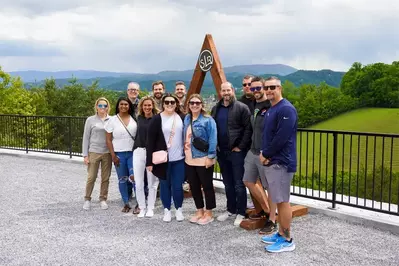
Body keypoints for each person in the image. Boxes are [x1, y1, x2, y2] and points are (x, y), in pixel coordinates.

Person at [259, 76, 298, 253]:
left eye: (272, 87)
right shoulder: (272, 109)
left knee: (283, 201)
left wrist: (266, 154)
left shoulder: (286, 109)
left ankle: (288, 240)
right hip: (273, 162)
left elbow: (281, 138)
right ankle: (281, 233)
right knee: (277, 198)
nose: (268, 90)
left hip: (281, 163)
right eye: (266, 87)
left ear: (280, 88)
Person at [211, 82, 252, 226]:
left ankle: (241, 211)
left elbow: (248, 129)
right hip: (222, 151)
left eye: (228, 90)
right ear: (220, 92)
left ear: (232, 90)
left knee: (239, 183)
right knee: (227, 183)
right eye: (223, 90)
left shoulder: (241, 108)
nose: (226, 93)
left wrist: (240, 147)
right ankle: (231, 209)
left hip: (236, 153)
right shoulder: (216, 108)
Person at [242, 76, 277, 234]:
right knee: (248, 181)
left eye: (258, 88)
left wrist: (269, 152)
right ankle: (266, 210)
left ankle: (272, 220)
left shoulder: (272, 106)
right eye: (252, 88)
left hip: (265, 153)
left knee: (270, 187)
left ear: (264, 88)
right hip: (253, 151)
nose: (255, 91)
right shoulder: (254, 105)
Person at [146, 93, 186, 222]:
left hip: (179, 159)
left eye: (172, 102)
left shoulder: (182, 117)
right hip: (163, 159)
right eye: (167, 102)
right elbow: (150, 141)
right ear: (163, 104)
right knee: (164, 185)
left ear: (176, 104)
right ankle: (167, 209)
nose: (169, 104)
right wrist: (149, 162)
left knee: (177, 186)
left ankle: (179, 208)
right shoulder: (157, 119)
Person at [183, 94, 217, 225]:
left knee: (207, 186)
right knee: (194, 186)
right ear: (189, 105)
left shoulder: (208, 120)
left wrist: (211, 157)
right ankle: (199, 210)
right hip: (189, 159)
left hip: (203, 159)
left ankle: (209, 212)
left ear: (202, 104)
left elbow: (213, 139)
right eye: (192, 103)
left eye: (197, 103)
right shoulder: (187, 118)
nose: (194, 105)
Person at [105, 97, 138, 213]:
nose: (124, 106)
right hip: (119, 153)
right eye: (121, 104)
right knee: (122, 179)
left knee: (135, 178)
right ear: (118, 106)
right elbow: (108, 140)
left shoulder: (135, 119)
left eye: (126, 104)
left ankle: (139, 203)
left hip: (133, 153)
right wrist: (113, 155)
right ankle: (126, 202)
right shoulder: (112, 120)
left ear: (129, 106)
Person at [82, 97, 112, 210]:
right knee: (91, 177)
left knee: (105, 178)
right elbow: (86, 138)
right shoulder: (90, 120)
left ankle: (103, 198)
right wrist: (85, 155)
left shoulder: (112, 119)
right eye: (100, 105)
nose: (103, 108)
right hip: (94, 152)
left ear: (108, 107)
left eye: (105, 105)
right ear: (96, 107)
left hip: (107, 153)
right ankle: (87, 199)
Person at [133, 96, 160, 218]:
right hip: (139, 151)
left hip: (152, 153)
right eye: (145, 105)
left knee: (152, 182)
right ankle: (142, 207)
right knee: (139, 182)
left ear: (153, 106)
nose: (147, 107)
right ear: (141, 107)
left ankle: (150, 207)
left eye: (149, 105)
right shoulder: (139, 118)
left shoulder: (157, 119)